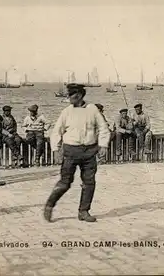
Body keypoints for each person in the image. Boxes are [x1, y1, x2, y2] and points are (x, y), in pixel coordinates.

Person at [45, 83, 110, 223]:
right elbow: (56, 131)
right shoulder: (66, 112)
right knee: (65, 182)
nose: (69, 98)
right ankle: (50, 205)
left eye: (71, 95)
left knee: (89, 182)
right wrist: (56, 150)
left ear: (79, 95)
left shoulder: (92, 109)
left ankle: (84, 211)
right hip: (71, 151)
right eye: (68, 95)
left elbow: (104, 128)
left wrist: (103, 145)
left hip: (89, 152)